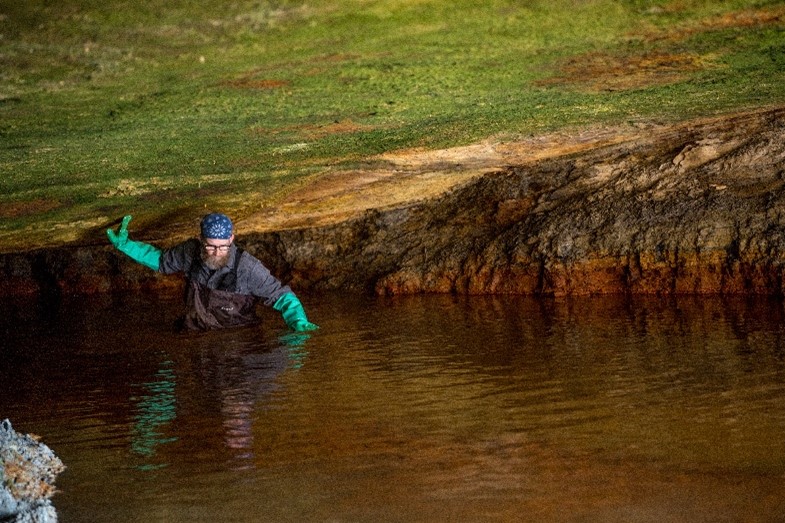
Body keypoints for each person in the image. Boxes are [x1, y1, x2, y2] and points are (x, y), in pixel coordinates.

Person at [107, 213, 318, 332]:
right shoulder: (189, 252)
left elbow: (281, 296)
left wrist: (298, 322)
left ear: (231, 239)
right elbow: (161, 261)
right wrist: (126, 246)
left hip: (237, 335)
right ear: (201, 240)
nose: (217, 253)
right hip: (196, 329)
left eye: (223, 247)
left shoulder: (248, 267)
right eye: (210, 246)